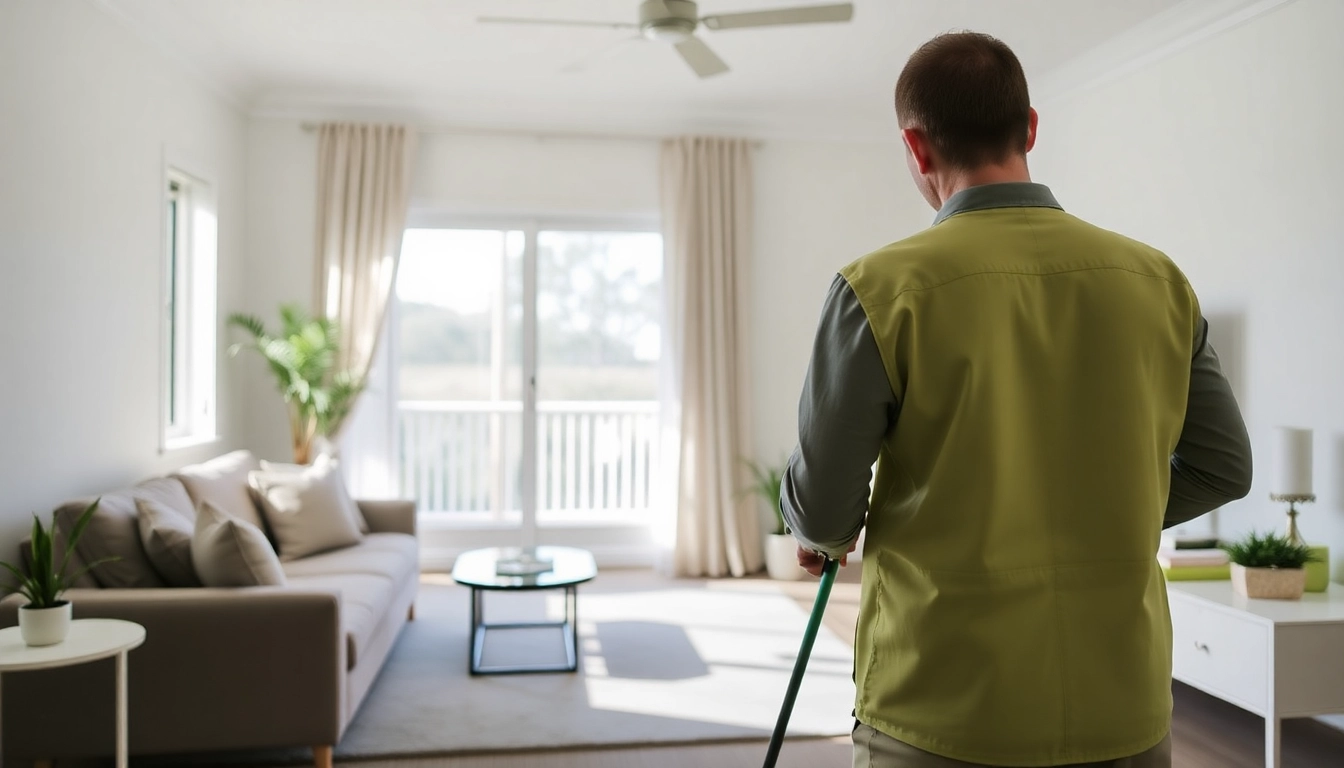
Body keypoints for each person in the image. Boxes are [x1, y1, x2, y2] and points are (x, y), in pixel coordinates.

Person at [779, 31, 1252, 768]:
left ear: (917, 147)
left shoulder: (877, 290)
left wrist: (821, 525)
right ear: (1030, 127)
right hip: (1123, 711)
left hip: (943, 710)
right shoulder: (1159, 281)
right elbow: (1225, 469)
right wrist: (1093, 512)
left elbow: (823, 515)